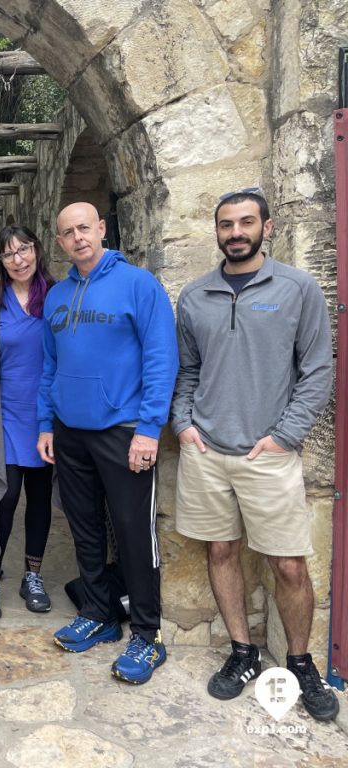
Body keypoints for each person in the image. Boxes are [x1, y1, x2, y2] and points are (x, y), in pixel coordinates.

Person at [172, 187, 338, 719]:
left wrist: (285, 436)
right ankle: (242, 653)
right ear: (217, 232)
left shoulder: (297, 288)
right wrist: (183, 424)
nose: (235, 232)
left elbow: (317, 370)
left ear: (267, 227)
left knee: (288, 564)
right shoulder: (195, 296)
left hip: (267, 453)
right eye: (226, 225)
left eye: (246, 222)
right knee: (220, 552)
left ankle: (300, 663)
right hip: (206, 450)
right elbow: (188, 368)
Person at [37, 202, 177, 685]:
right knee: (85, 528)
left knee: (135, 534)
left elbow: (162, 357)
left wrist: (149, 428)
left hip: (123, 430)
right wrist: (45, 424)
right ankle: (97, 613)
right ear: (59, 242)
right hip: (71, 432)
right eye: (67, 232)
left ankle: (146, 633)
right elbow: (49, 367)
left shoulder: (138, 285)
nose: (77, 238)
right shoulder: (56, 296)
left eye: (84, 228)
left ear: (101, 229)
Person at [0, 225, 56, 620]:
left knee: (40, 498)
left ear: (37, 251)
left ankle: (32, 575)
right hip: (3, 415)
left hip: (46, 417)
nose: (18, 259)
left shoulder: (56, 296)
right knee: (3, 497)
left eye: (24, 250)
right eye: (8, 254)